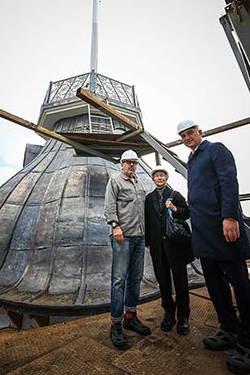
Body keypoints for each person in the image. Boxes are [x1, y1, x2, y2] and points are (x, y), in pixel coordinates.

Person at [177, 119, 250, 374]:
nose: (187, 137)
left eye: (190, 132)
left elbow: (229, 182)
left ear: (200, 132)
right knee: (214, 285)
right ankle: (229, 329)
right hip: (203, 234)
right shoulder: (192, 160)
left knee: (240, 283)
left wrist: (230, 217)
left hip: (223, 228)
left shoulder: (215, 149)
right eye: (182, 135)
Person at [104, 149, 151, 350]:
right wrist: (115, 225)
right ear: (121, 164)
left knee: (136, 278)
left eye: (134, 162)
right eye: (128, 162)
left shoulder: (140, 183)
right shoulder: (115, 181)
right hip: (123, 237)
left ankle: (130, 316)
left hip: (140, 237)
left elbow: (144, 211)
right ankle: (116, 323)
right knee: (119, 280)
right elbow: (109, 205)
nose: (132, 165)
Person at [145, 166, 194, 336]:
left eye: (162, 175)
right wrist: (149, 242)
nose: (159, 178)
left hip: (174, 245)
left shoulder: (176, 195)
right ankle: (168, 313)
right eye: (157, 176)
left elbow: (186, 213)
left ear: (166, 178)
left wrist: (174, 209)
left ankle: (183, 316)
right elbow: (148, 221)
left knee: (180, 280)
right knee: (163, 280)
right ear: (153, 179)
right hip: (158, 247)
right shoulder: (149, 198)